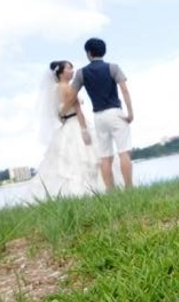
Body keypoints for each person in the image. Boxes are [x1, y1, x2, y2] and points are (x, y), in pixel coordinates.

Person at [73, 37, 135, 190]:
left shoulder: (81, 73)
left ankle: (110, 191)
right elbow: (124, 90)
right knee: (123, 152)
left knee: (105, 156)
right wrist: (130, 113)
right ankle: (129, 187)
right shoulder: (113, 68)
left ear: (88, 53)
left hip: (99, 117)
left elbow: (71, 94)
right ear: (103, 51)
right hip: (115, 113)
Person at [34, 60, 102, 198]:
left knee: (67, 161)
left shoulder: (55, 89)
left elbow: (58, 113)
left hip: (66, 125)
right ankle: (90, 190)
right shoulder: (69, 88)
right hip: (76, 123)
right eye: (69, 68)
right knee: (85, 158)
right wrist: (84, 130)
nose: (72, 71)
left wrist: (64, 116)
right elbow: (78, 110)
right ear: (61, 72)